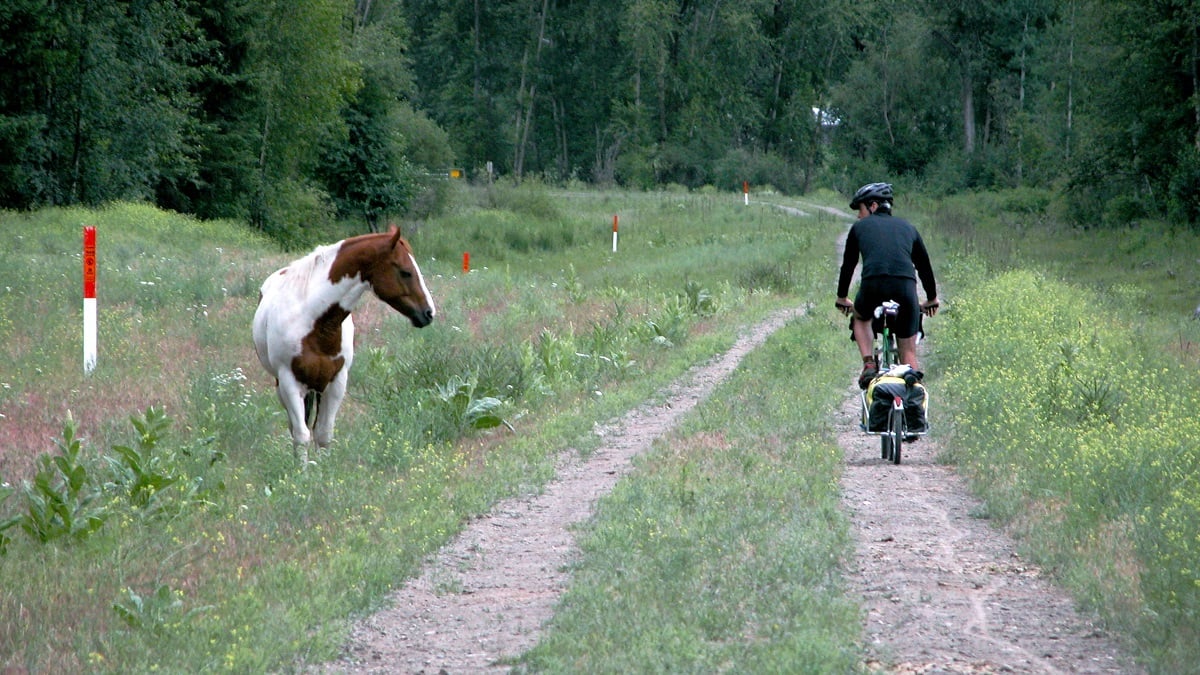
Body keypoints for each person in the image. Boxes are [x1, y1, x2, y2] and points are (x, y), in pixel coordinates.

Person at [835, 182, 940, 389]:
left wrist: (842, 297)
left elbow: (848, 265)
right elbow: (924, 266)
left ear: (873, 205)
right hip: (905, 287)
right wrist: (932, 298)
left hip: (873, 285)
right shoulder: (909, 228)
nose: (858, 216)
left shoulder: (859, 228)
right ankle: (910, 381)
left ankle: (869, 364)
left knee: (860, 317)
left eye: (860, 209)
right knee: (908, 351)